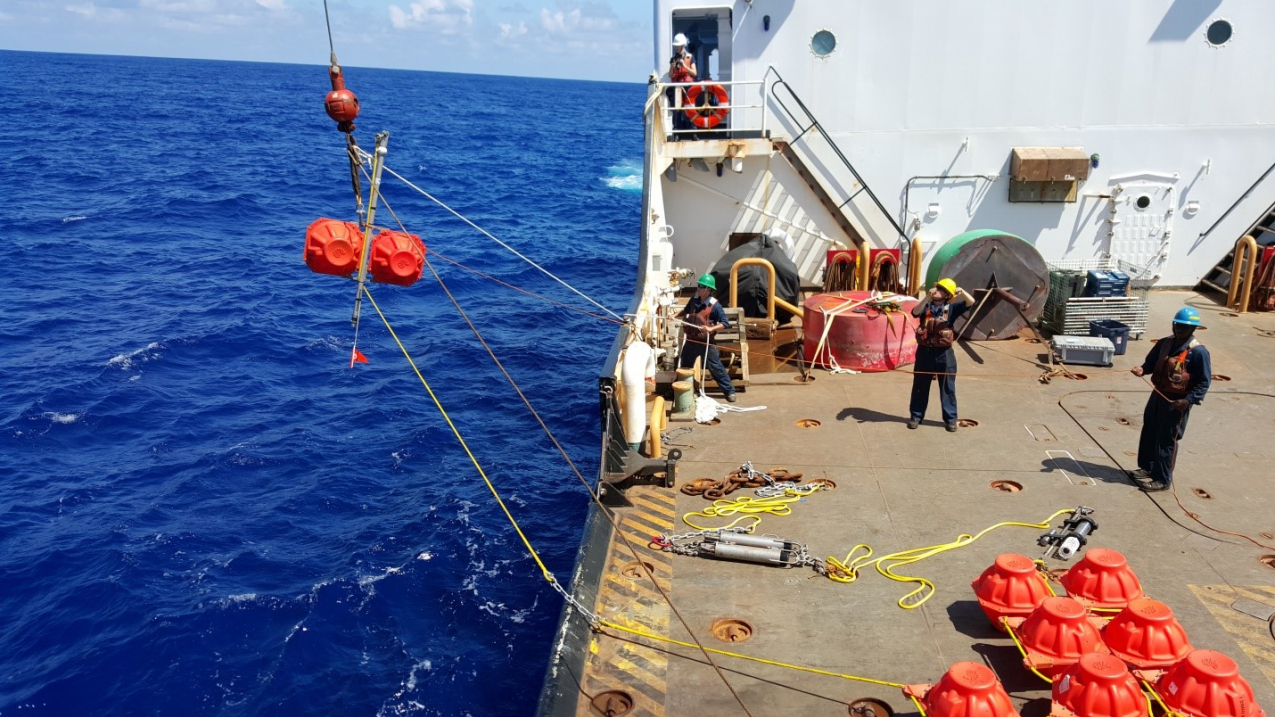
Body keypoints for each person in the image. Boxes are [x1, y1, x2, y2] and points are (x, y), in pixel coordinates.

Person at [1128, 307, 1212, 492]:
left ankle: (1162, 479)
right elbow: (1150, 363)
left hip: (1177, 402)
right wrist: (1142, 369)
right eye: (1178, 325)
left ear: (1193, 329)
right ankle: (1147, 467)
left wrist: (1188, 401)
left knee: (1167, 439)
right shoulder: (1164, 343)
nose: (1180, 329)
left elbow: (1204, 382)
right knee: (1150, 429)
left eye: (1185, 327)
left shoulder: (1199, 353)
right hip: (1158, 394)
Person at [908, 278, 976, 431]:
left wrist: (962, 292)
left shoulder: (952, 308)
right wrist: (926, 296)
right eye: (937, 288)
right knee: (920, 386)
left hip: (944, 354)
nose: (937, 290)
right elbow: (915, 312)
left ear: (947, 295)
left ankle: (950, 419)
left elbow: (971, 302)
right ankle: (916, 416)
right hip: (925, 353)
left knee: (947, 387)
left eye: (941, 289)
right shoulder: (925, 306)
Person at [678, 273, 736, 402]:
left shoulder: (715, 306)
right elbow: (686, 310)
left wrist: (711, 328)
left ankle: (729, 391)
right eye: (699, 285)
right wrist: (674, 314)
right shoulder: (694, 299)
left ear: (709, 290)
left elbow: (725, 323)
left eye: (703, 286)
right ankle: (683, 390)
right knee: (685, 365)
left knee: (716, 367)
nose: (699, 288)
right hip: (691, 340)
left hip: (706, 343)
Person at [668, 33, 697, 134]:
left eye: (678, 46)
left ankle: (693, 132)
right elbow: (670, 75)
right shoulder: (673, 58)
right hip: (677, 87)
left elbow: (694, 73)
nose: (676, 48)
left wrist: (684, 65)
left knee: (690, 109)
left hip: (688, 87)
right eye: (675, 46)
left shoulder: (690, 57)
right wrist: (672, 66)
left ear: (682, 46)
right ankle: (677, 132)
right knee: (677, 110)